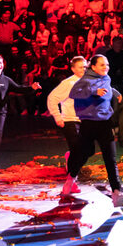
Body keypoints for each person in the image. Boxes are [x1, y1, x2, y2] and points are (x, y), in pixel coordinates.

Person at [69, 54, 123, 200]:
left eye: (107, 64)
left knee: (110, 158)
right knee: (84, 154)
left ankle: (116, 191)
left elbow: (106, 87)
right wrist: (94, 92)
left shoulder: (106, 78)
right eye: (102, 65)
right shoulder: (85, 80)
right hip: (89, 123)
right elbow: (73, 93)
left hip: (105, 122)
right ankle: (71, 178)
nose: (106, 67)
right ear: (93, 67)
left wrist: (115, 92)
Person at [47, 56, 87, 197]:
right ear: (73, 69)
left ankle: (70, 161)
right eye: (80, 67)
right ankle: (72, 181)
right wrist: (57, 116)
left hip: (85, 121)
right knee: (78, 151)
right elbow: (52, 98)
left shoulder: (89, 81)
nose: (84, 69)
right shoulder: (68, 83)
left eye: (85, 66)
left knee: (84, 151)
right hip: (70, 120)